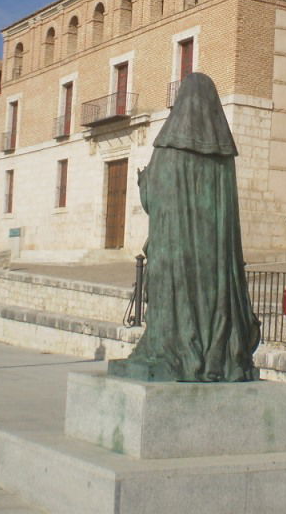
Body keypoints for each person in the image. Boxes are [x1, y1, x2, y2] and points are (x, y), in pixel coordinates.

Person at [111, 72, 260, 382]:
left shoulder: (167, 150)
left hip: (175, 256)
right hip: (214, 261)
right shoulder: (223, 156)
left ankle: (172, 351)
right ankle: (215, 356)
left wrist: (143, 183)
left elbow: (154, 202)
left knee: (172, 300)